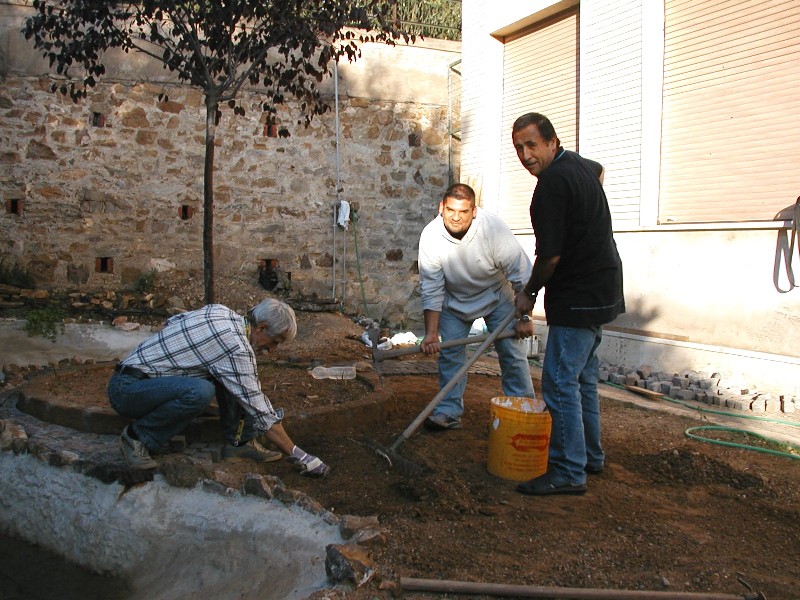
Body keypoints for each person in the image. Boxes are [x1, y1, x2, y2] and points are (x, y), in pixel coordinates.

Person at [511, 112, 625, 496]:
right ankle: (590, 456)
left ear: (551, 142)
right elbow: (598, 169)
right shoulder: (575, 164)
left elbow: (550, 258)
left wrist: (528, 295)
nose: (526, 155)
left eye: (532, 145)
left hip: (578, 296)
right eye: (518, 148)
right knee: (583, 380)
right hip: (603, 288)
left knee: (559, 383)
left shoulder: (551, 186)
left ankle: (568, 470)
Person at [107, 298, 329, 477]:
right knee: (199, 391)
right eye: (274, 342)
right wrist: (299, 454)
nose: (271, 350)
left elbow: (174, 322)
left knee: (233, 378)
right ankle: (137, 438)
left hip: (138, 381)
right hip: (127, 391)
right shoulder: (235, 346)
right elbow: (259, 408)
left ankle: (239, 444)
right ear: (261, 327)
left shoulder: (221, 312)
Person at [417, 183, 536, 430]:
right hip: (455, 301)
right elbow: (431, 288)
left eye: (463, 211)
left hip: (496, 297)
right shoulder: (430, 236)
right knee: (450, 356)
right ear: (441, 207)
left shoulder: (493, 230)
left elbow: (521, 275)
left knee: (512, 353)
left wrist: (524, 317)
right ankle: (448, 411)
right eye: (450, 210)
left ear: (474, 211)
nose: (456, 217)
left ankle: (523, 410)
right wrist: (431, 334)